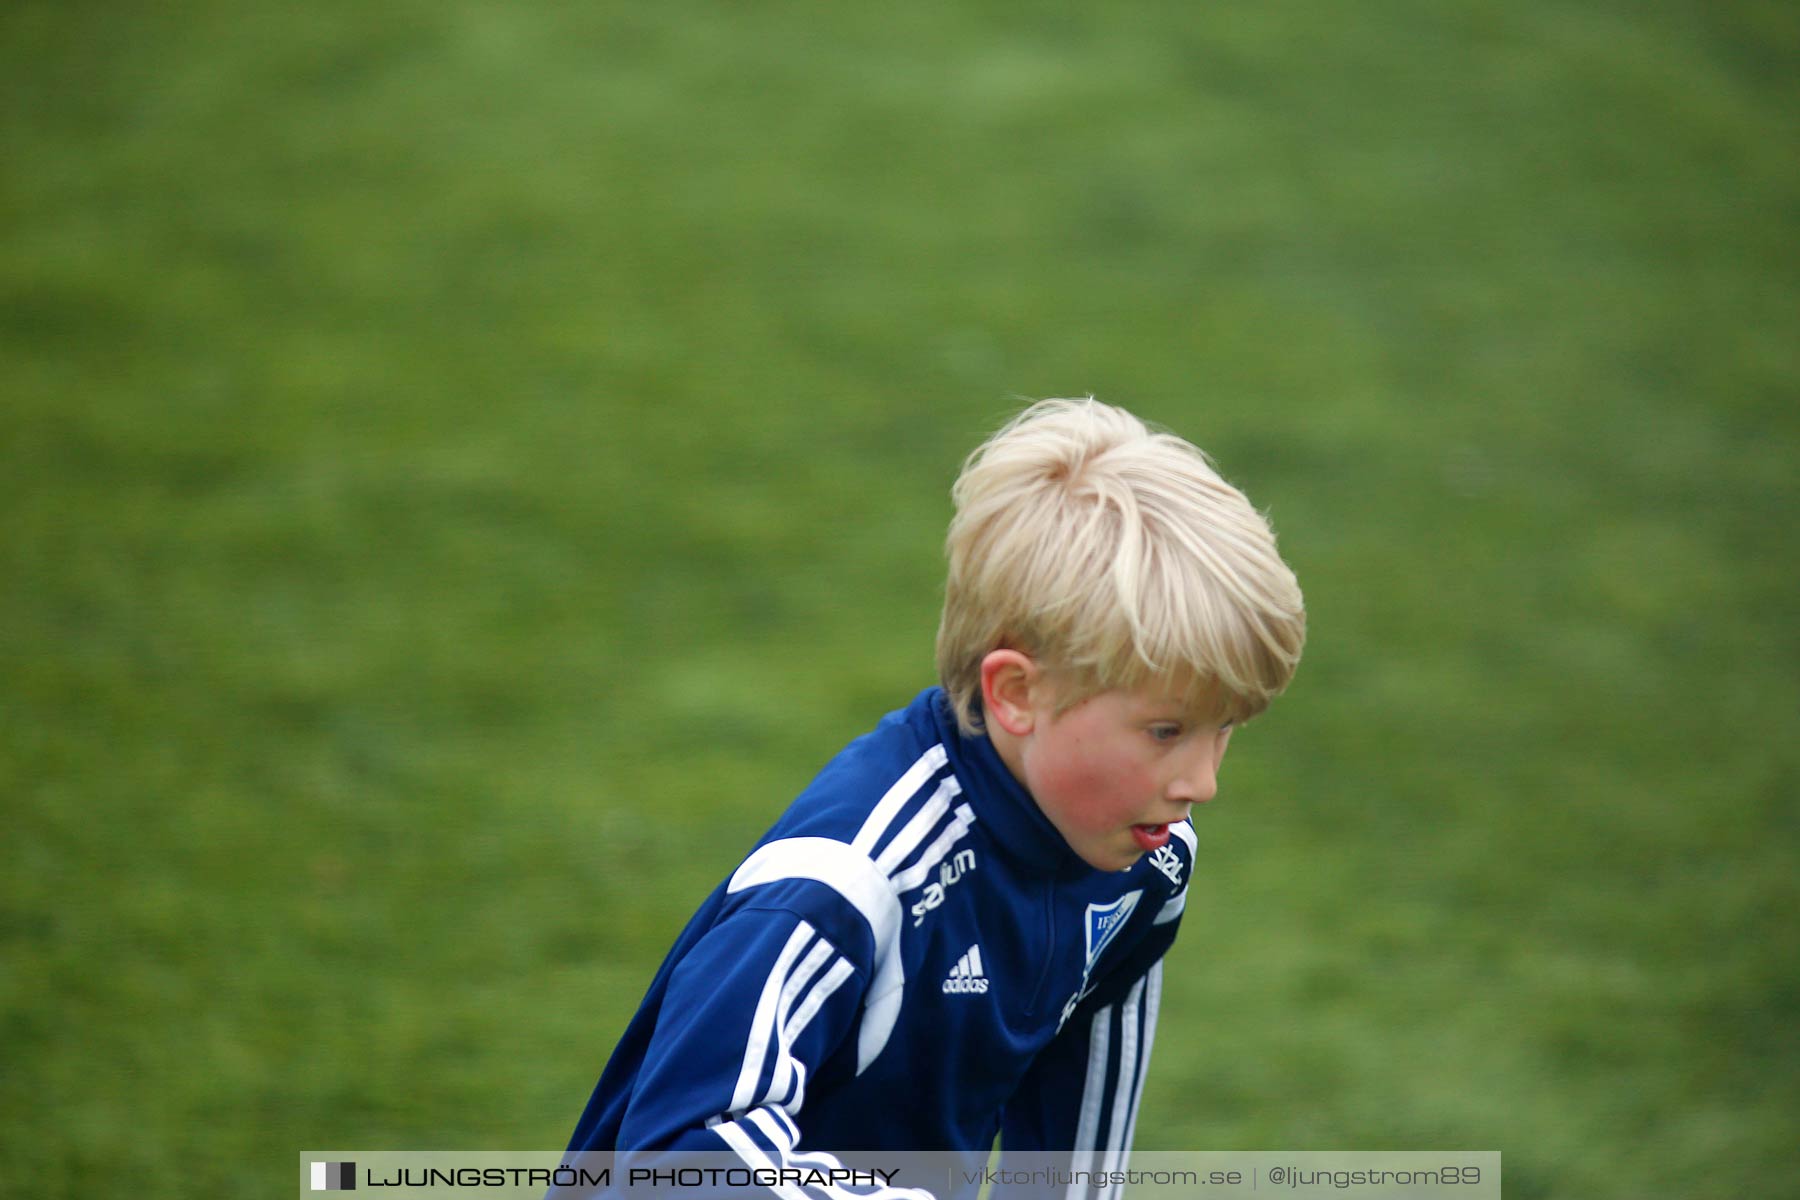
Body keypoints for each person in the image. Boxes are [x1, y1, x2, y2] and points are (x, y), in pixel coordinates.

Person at [557, 398, 1306, 1199]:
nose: (1203, 782)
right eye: (1166, 732)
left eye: (1225, 729)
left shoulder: (1145, 866)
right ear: (1017, 692)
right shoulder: (848, 884)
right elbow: (674, 1160)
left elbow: (1072, 1166)